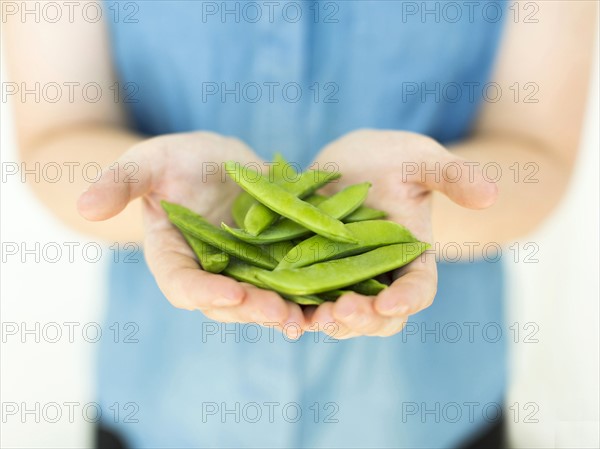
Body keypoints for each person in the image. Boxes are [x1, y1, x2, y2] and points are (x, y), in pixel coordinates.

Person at [5, 1, 595, 447]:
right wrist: (143, 190)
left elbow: (537, 152)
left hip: (428, 408)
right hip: (165, 405)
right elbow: (56, 134)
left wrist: (433, 202)